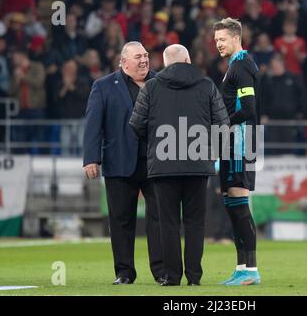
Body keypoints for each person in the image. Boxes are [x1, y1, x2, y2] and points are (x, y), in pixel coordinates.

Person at [130, 44, 229, 286]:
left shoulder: (152, 87)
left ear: (165, 64)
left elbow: (136, 124)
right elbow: (222, 124)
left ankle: (172, 277)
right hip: (198, 165)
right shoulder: (206, 85)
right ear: (187, 59)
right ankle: (194, 277)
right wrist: (209, 151)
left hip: (163, 166)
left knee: (168, 222)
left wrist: (155, 142)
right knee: (196, 222)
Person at [82, 41, 163, 285]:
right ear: (124, 61)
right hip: (119, 162)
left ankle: (162, 272)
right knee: (120, 221)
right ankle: (124, 273)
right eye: (138, 56)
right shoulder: (103, 86)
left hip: (156, 163)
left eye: (146, 55)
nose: (144, 60)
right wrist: (91, 158)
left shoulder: (162, 82)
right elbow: (93, 124)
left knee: (159, 219)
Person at [213, 17, 261, 286]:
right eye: (216, 40)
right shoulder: (238, 64)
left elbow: (249, 109)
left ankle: (251, 271)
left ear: (236, 38)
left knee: (239, 207)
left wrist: (222, 123)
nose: (218, 44)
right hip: (236, 142)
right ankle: (242, 267)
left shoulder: (241, 66)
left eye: (222, 39)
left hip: (240, 143)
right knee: (233, 205)